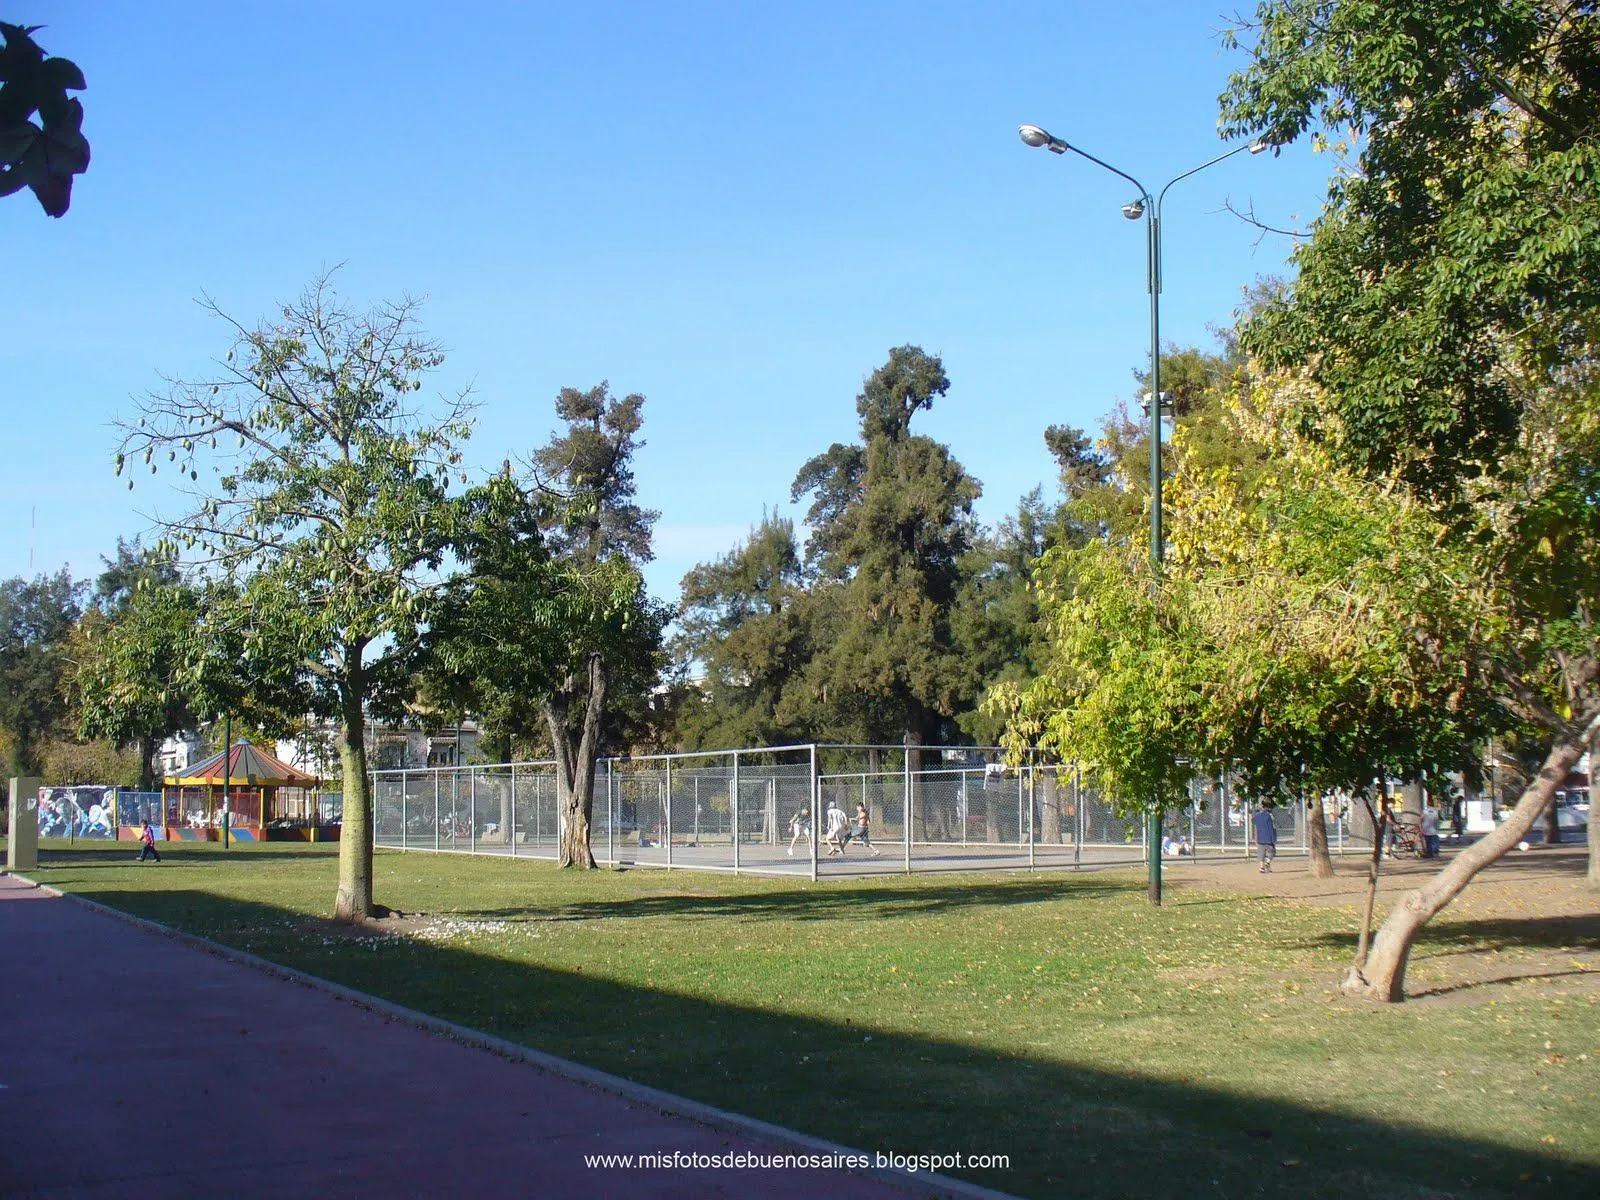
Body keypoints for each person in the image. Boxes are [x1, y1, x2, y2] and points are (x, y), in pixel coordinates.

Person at [1251, 802, 1278, 873]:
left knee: (1261, 853)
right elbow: (1274, 825)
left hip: (1260, 838)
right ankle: (1268, 863)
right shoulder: (1270, 815)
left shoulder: (1257, 816)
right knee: (1272, 852)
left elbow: (1253, 821)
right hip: (1269, 838)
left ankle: (1261, 867)